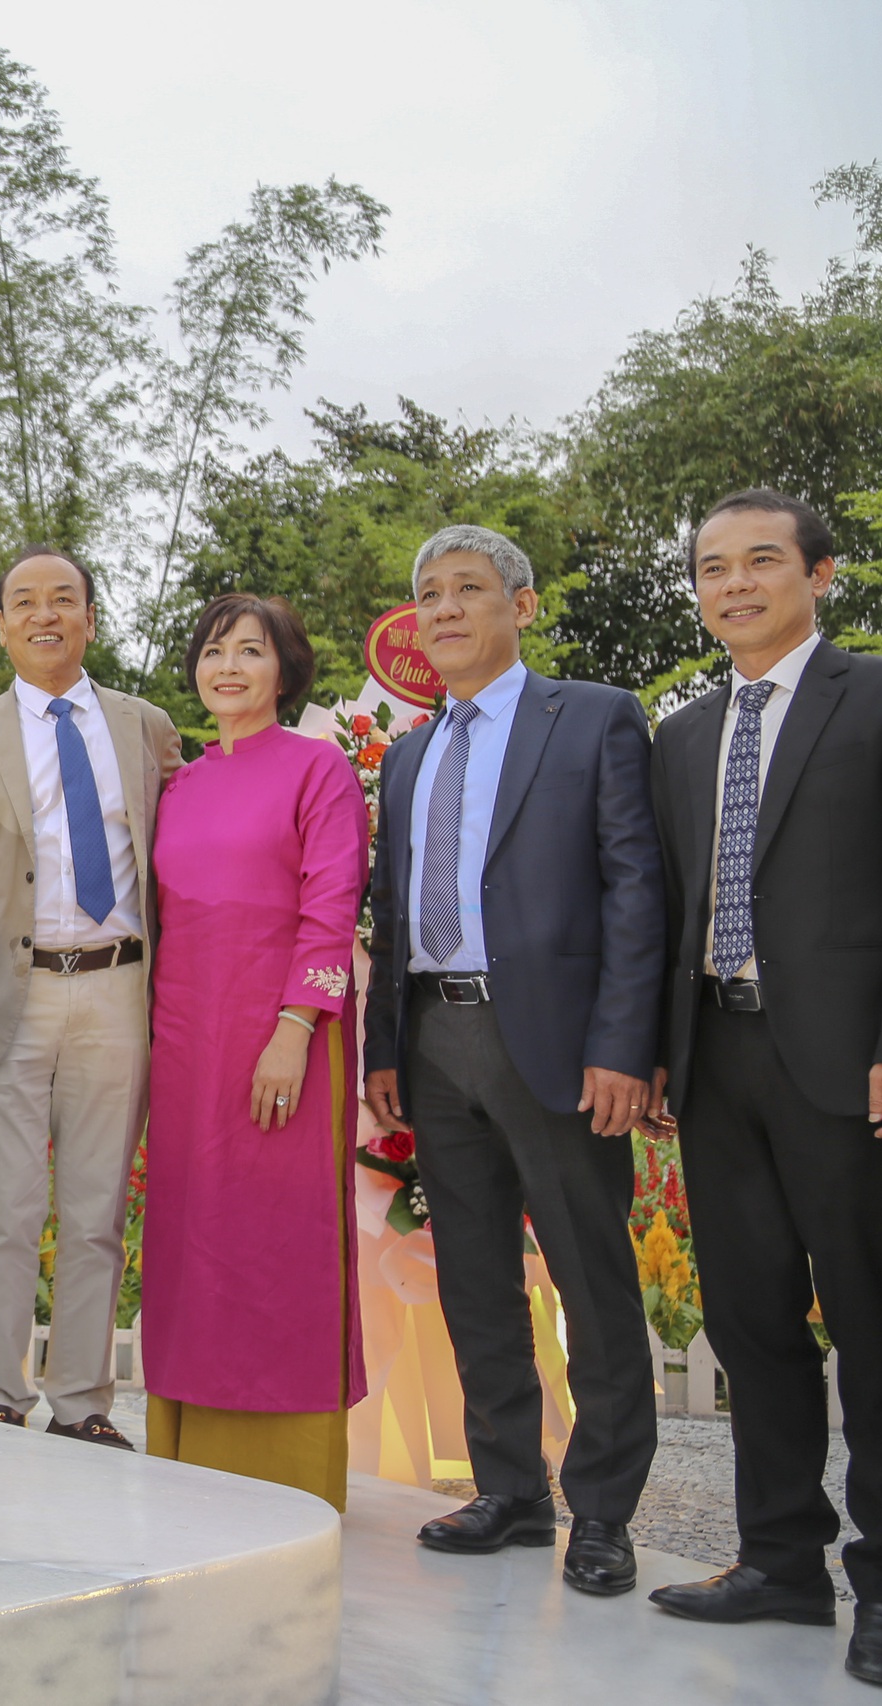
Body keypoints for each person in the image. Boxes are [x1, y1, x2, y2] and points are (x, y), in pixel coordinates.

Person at [644, 490, 882, 1689]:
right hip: (717, 1063)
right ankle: (779, 1558)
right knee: (748, 1321)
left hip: (851, 1064)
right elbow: (674, 912)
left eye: (760, 561)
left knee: (875, 1327)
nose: (733, 584)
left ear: (817, 573)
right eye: (712, 568)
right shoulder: (680, 733)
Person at [361, 524, 662, 1593]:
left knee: (590, 1273)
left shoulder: (589, 718)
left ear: (521, 606)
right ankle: (510, 1488)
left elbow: (635, 887)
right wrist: (384, 1046)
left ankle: (606, 1509)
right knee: (474, 1275)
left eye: (469, 589)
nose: (444, 609)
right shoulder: (407, 752)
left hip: (557, 1042)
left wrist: (624, 1044)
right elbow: (391, 913)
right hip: (434, 1038)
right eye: (428, 593)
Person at [0, 547, 183, 1447]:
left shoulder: (147, 727)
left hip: (118, 991)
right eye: (24, 601)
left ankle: (83, 1403)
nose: (44, 614)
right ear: (2, 625)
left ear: (90, 619)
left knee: (97, 1211)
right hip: (1, 998)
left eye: (63, 598)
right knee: (4, 1211)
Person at [139, 594, 368, 1508]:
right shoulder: (181, 785)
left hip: (285, 1037)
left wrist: (296, 1029)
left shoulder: (319, 770)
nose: (227, 666)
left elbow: (332, 905)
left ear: (286, 670)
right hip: (186, 1041)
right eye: (212, 651)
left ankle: (287, 1484)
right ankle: (187, 1468)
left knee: (280, 1241)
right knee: (194, 1242)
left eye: (249, 651)